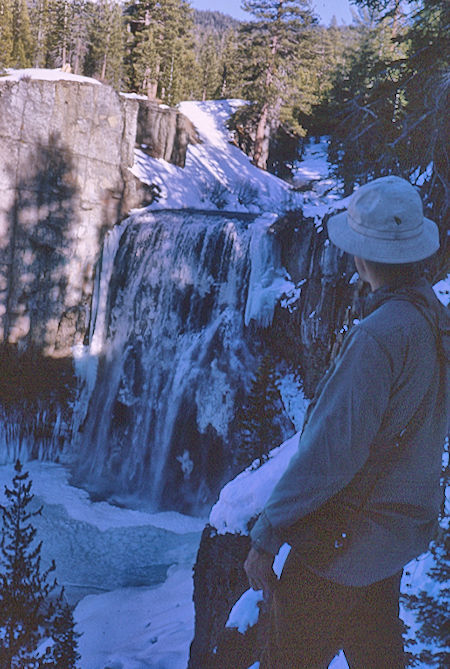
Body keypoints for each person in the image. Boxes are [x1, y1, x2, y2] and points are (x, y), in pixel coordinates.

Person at [244, 175, 449, 668]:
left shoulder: (377, 337)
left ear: (361, 256)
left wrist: (267, 532)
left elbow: (330, 453)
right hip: (392, 536)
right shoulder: (433, 319)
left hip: (343, 544)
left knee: (288, 660)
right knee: (377, 656)